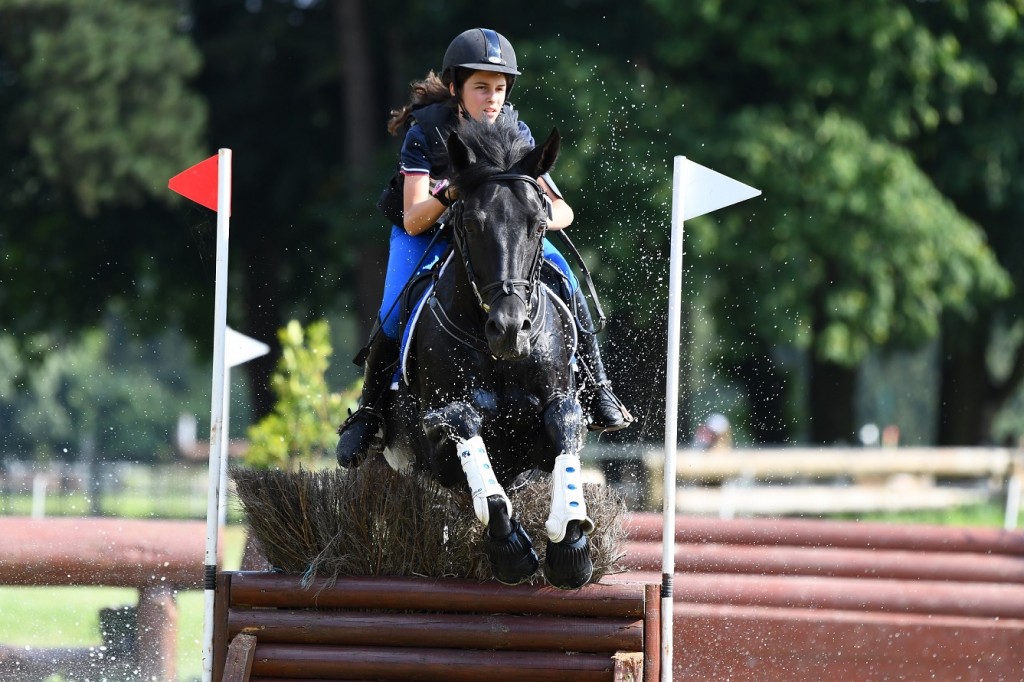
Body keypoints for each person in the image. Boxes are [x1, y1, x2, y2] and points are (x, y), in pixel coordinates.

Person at [337, 28, 632, 468]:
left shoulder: (517, 132)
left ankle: (598, 386)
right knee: (394, 311)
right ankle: (371, 412)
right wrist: (454, 193)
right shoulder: (426, 132)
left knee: (565, 281)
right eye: (481, 88)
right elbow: (416, 214)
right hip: (424, 232)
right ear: (456, 87)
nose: (492, 98)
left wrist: (533, 219)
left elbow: (563, 210)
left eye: (499, 88)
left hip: (500, 236)